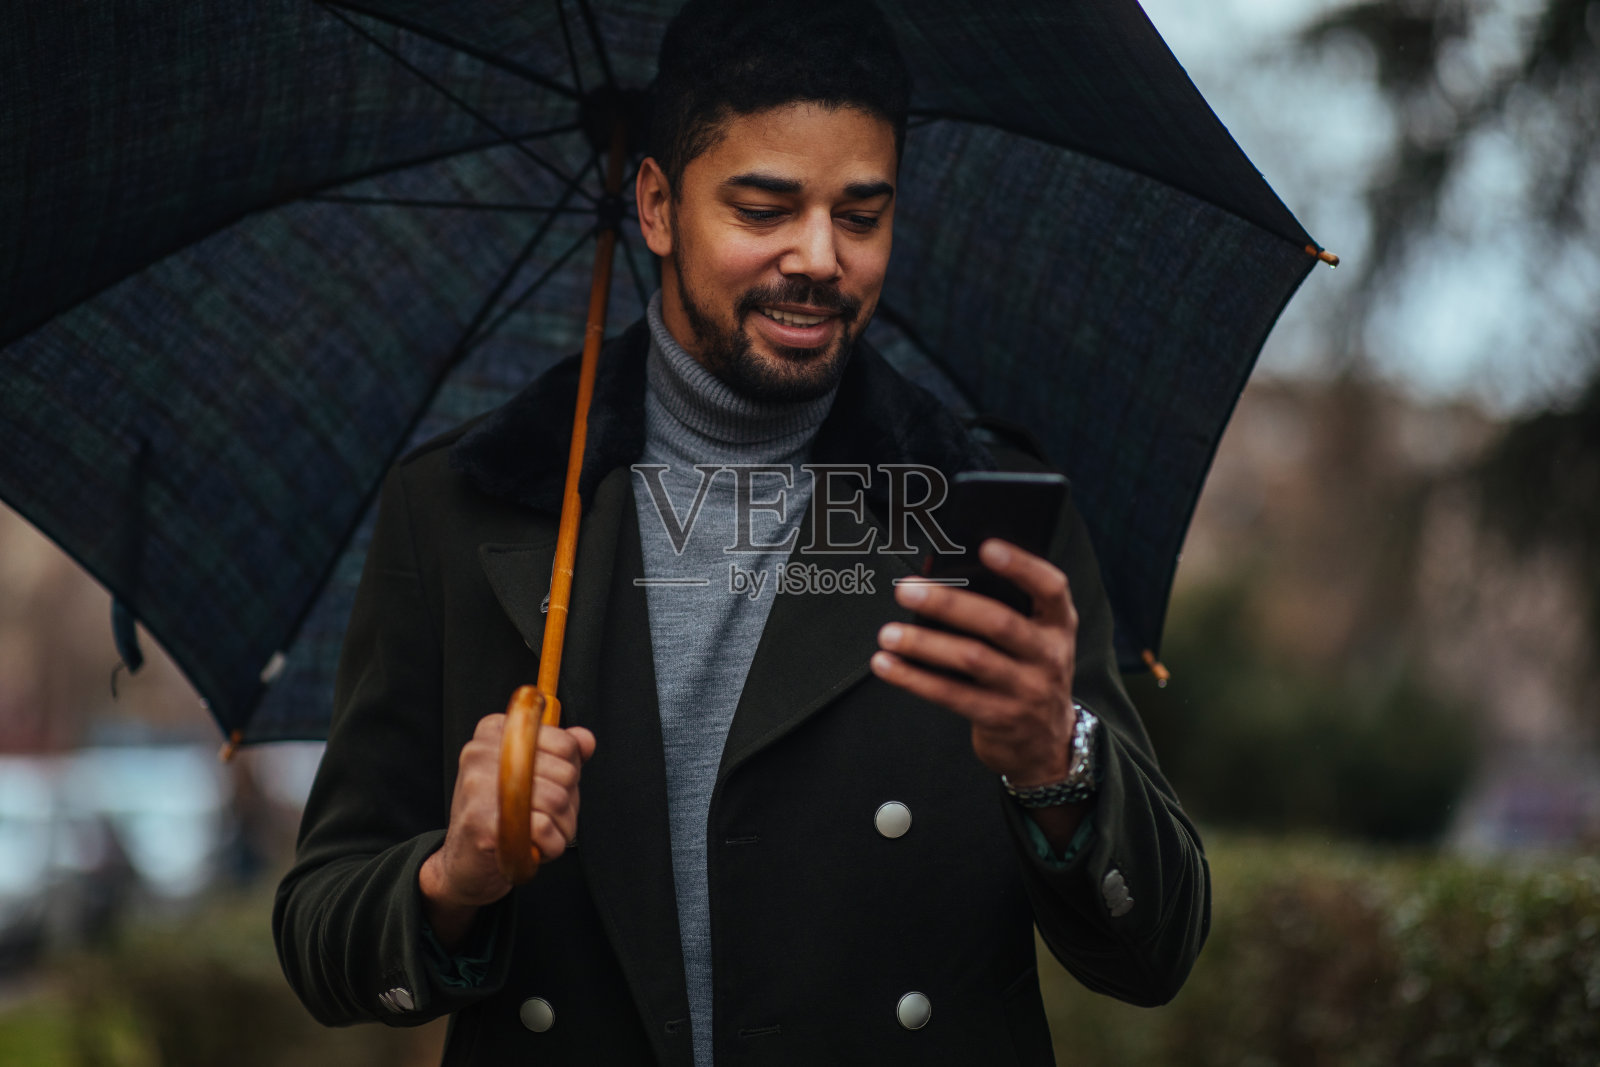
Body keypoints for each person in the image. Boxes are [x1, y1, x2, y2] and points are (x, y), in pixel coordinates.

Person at [273, 1, 1209, 1063]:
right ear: (659, 205)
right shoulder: (463, 503)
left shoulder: (981, 509)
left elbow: (1157, 950)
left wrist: (1057, 764)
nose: (819, 257)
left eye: (861, 214)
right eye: (765, 208)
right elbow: (321, 935)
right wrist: (454, 877)